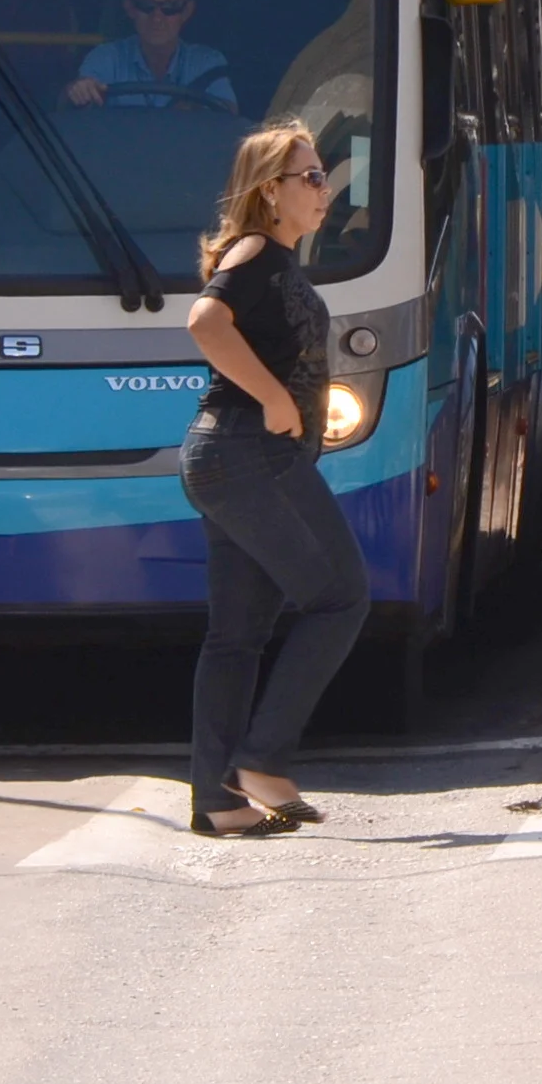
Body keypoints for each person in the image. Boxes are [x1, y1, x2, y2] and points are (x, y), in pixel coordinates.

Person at [178, 125, 370, 838]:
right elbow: (205, 321)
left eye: (324, 176)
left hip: (227, 461)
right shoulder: (257, 251)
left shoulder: (277, 259)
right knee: (342, 598)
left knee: (236, 637)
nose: (326, 190)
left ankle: (216, 799)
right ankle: (261, 760)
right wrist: (272, 397)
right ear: (271, 191)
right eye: (312, 178)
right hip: (249, 454)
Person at [66, 0, 239, 112]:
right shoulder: (105, 57)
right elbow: (75, 101)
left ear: (187, 11)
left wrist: (194, 110)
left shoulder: (207, 63)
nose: (157, 18)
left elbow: (228, 114)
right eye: (146, 6)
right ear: (130, 8)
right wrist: (79, 91)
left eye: (170, 7)